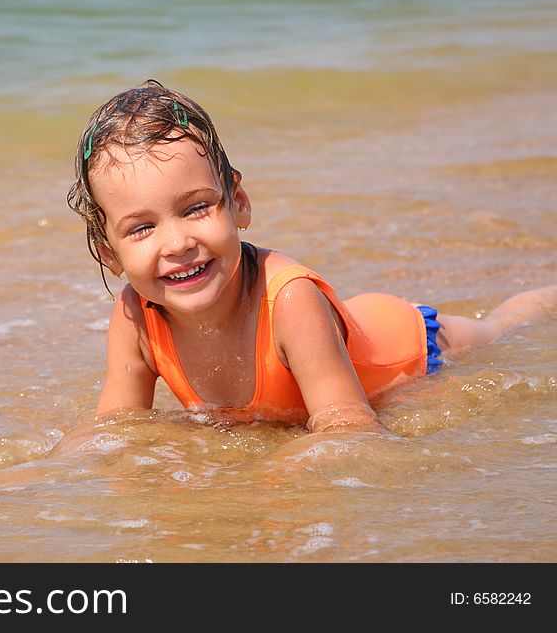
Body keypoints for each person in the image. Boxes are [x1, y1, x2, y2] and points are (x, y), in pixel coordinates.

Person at [64, 79, 556, 437]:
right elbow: (115, 427)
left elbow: (348, 425)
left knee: (500, 329)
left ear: (237, 203)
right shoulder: (135, 316)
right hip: (349, 325)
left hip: (405, 345)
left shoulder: (289, 300)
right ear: (111, 253)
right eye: (143, 227)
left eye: (196, 208)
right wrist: (45, 477)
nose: (176, 243)